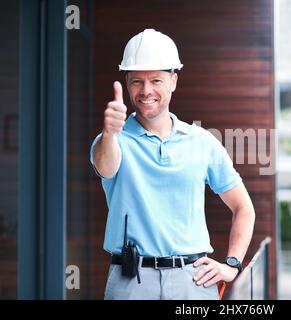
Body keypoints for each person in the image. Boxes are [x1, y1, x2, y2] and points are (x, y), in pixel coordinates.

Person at [90, 29, 255, 300]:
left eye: (156, 80)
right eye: (136, 82)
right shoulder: (112, 141)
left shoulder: (202, 142)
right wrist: (109, 132)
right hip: (131, 281)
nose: (146, 91)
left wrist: (232, 265)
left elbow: (244, 208)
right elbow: (105, 166)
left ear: (173, 81)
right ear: (127, 83)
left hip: (193, 281)